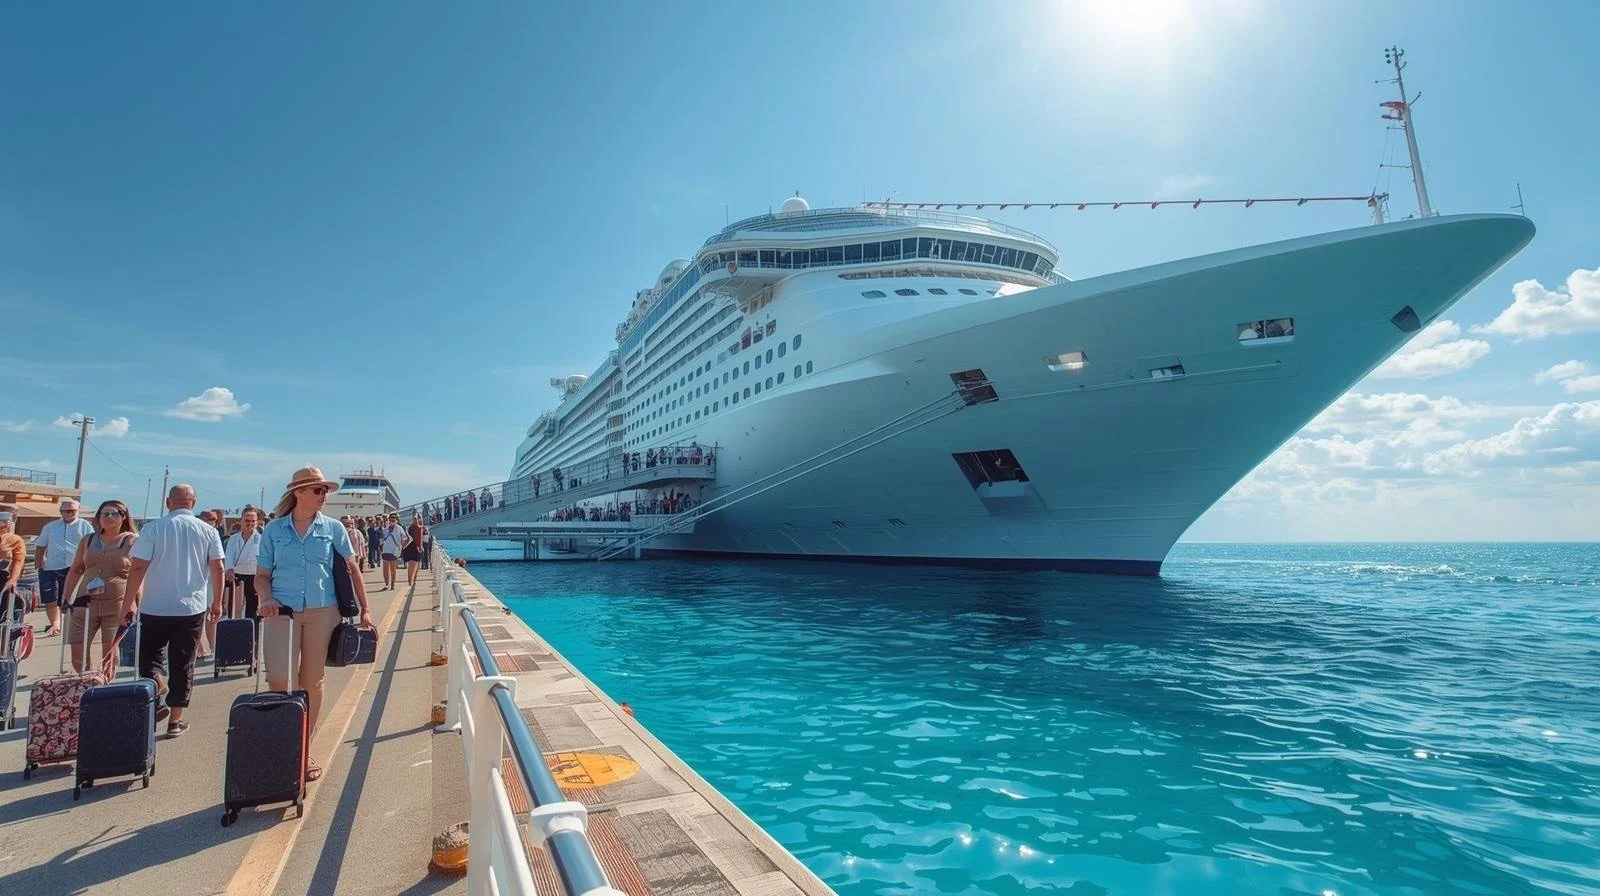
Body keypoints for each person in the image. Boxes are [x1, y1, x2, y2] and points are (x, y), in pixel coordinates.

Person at [255, 466, 373, 782]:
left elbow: (352, 568)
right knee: (279, 678)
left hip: (324, 611)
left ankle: (303, 751)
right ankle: (281, 744)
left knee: (312, 680)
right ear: (299, 493)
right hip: (282, 612)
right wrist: (265, 598)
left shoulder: (333, 528)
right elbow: (262, 576)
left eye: (325, 491)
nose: (324, 496)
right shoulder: (274, 530)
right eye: (318, 490)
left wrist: (366, 609)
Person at [121, 485, 225, 737]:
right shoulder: (208, 530)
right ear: (194, 503)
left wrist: (128, 602)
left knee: (151, 659)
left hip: (155, 605)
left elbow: (137, 568)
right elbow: (218, 568)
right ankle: (175, 721)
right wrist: (218, 602)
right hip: (191, 607)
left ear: (168, 502)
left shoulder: (153, 528)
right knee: (183, 662)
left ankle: (158, 687)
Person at [61, 500, 138, 673]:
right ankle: (86, 682)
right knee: (77, 649)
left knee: (109, 653)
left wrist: (133, 602)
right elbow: (75, 570)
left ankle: (104, 690)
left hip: (117, 604)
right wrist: (66, 596)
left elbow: (138, 575)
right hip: (85, 603)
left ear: (123, 517)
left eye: (114, 514)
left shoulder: (132, 541)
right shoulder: (87, 540)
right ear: (98, 517)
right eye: (105, 514)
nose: (108, 517)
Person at [34, 498, 95, 637]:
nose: (70, 513)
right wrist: (39, 565)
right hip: (51, 567)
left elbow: (91, 547)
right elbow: (41, 546)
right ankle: (55, 624)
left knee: (70, 597)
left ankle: (71, 623)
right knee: (51, 598)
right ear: (61, 512)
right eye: (67, 511)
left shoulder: (85, 526)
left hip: (76, 567)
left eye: (73, 511)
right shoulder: (50, 527)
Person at [223, 507, 264, 620]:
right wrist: (229, 569)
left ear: (257, 522)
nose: (250, 523)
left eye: (253, 521)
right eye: (247, 520)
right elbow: (229, 555)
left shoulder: (261, 539)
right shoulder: (233, 538)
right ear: (241, 521)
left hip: (254, 576)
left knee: (252, 607)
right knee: (235, 606)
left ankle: (251, 631)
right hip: (236, 576)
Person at [378, 513, 404, 591]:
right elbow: (381, 540)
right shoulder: (385, 529)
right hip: (385, 551)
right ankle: (386, 584)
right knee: (385, 569)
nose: (392, 520)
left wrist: (401, 548)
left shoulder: (399, 529)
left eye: (394, 519)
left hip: (394, 552)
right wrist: (381, 549)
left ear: (396, 520)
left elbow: (406, 539)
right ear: (389, 520)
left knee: (393, 569)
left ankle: (393, 584)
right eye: (391, 519)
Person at [403, 512, 425, 587]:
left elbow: (421, 538)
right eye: (414, 518)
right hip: (410, 546)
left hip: (417, 547)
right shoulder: (411, 527)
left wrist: (421, 547)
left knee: (417, 565)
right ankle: (410, 581)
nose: (415, 519)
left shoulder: (420, 527)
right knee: (411, 564)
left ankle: (414, 579)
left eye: (416, 518)